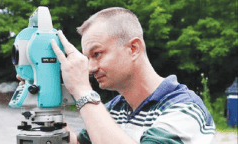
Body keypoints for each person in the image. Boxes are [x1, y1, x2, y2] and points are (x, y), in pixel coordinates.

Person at [18, 7, 216, 144]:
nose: (90, 68)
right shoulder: (114, 109)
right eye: (87, 58)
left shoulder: (185, 108)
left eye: (97, 54)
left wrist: (82, 91)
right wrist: (43, 99)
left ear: (133, 48)